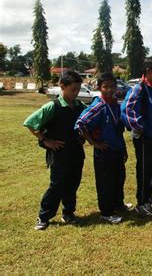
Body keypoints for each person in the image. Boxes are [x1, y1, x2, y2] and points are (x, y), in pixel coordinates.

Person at [24, 71, 86, 230]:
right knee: (57, 185)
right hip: (59, 154)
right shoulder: (53, 106)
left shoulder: (80, 106)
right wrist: (46, 140)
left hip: (76, 153)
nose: (76, 93)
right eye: (73, 89)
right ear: (62, 87)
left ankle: (68, 213)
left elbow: (89, 122)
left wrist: (83, 137)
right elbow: (30, 123)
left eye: (78, 89)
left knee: (73, 184)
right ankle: (43, 216)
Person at [75, 72, 128, 225]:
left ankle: (118, 205)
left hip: (117, 149)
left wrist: (123, 149)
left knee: (119, 178)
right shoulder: (98, 105)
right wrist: (93, 142)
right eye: (106, 87)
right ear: (99, 88)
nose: (110, 90)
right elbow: (81, 123)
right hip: (104, 151)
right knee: (106, 182)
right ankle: (106, 212)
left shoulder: (115, 104)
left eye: (113, 86)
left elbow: (118, 129)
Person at [121, 57, 152, 216]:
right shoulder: (138, 89)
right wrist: (140, 127)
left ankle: (147, 193)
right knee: (144, 170)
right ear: (148, 71)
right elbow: (127, 109)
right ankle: (141, 203)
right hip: (144, 137)